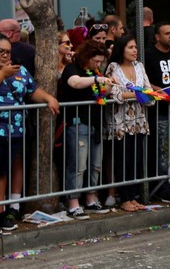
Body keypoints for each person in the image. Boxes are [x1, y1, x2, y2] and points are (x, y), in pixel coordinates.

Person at [0, 31, 59, 236]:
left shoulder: (19, 70)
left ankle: (0, 212)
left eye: (8, 52)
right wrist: (2, 74)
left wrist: (48, 98)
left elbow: (32, 90)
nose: (6, 55)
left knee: (2, 174)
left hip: (13, 131)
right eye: (0, 51)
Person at [57, 41, 113, 218]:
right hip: (77, 122)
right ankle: (73, 203)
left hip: (95, 123)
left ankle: (91, 198)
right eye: (96, 61)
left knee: (95, 164)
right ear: (87, 57)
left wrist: (109, 84)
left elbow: (101, 94)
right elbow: (75, 83)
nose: (98, 65)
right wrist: (97, 79)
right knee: (78, 165)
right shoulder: (72, 69)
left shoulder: (95, 72)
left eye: (100, 62)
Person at [103, 35, 151, 212]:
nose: (134, 50)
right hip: (119, 122)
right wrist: (138, 94)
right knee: (123, 159)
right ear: (122, 49)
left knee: (136, 160)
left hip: (138, 120)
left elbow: (149, 91)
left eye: (136, 47)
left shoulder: (139, 66)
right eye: (130, 47)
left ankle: (132, 196)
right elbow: (114, 93)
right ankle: (123, 198)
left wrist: (138, 94)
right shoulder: (113, 67)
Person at [143, 22, 170, 203]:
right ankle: (162, 186)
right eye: (166, 33)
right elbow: (144, 80)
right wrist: (159, 91)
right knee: (162, 150)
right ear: (157, 37)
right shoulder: (149, 54)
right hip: (159, 110)